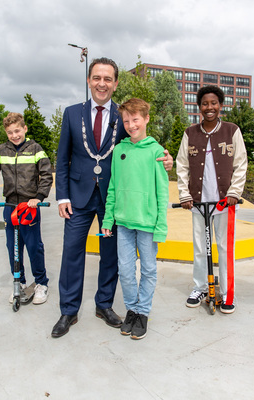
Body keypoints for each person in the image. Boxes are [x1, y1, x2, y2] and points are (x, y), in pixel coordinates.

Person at [53, 57, 173, 338]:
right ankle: (68, 311)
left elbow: (140, 139)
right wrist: (62, 197)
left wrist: (163, 157)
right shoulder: (72, 113)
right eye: (97, 77)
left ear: (115, 83)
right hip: (78, 197)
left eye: (108, 79)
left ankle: (104, 304)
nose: (102, 83)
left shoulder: (123, 116)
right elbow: (62, 158)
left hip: (113, 199)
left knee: (112, 257)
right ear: (88, 80)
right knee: (72, 253)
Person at [101, 98, 168, 340]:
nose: (131, 125)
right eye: (126, 121)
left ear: (146, 119)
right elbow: (113, 188)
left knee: (148, 270)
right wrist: (108, 220)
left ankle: (143, 313)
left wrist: (161, 227)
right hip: (124, 223)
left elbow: (162, 191)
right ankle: (132, 309)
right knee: (126, 271)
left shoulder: (157, 151)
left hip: (148, 224)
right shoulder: (119, 150)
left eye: (135, 119)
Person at [176, 85, 247, 314]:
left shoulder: (231, 130)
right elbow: (182, 165)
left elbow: (240, 164)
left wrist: (234, 192)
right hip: (198, 203)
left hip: (224, 203)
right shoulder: (190, 133)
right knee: (199, 247)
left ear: (220, 105)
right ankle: (200, 287)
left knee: (225, 248)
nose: (209, 108)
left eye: (214, 103)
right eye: (205, 103)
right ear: (199, 106)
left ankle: (226, 292)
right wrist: (185, 194)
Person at [0, 112, 53, 305]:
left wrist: (38, 196)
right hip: (9, 205)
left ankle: (41, 283)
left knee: (34, 246)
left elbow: (46, 174)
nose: (14, 135)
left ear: (25, 129)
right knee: (13, 247)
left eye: (17, 131)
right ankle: (20, 282)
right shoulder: (1, 150)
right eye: (10, 132)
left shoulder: (35, 149)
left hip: (29, 206)